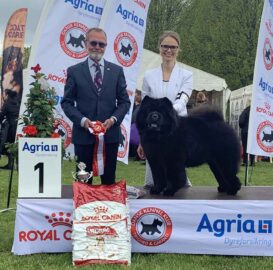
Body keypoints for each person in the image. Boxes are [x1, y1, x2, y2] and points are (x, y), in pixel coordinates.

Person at [61, 27, 130, 185]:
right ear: (86, 44)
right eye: (94, 43)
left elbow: (125, 102)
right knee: (83, 185)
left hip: (110, 138)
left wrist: (113, 119)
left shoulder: (117, 71)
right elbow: (67, 102)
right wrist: (83, 120)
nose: (97, 47)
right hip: (83, 138)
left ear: (106, 46)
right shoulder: (74, 71)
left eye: (102, 44)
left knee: (109, 185)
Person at [137, 30, 193, 188]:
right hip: (153, 134)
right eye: (165, 46)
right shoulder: (148, 76)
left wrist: (166, 114)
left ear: (179, 49)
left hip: (177, 130)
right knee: (155, 178)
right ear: (159, 48)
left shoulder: (187, 75)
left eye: (173, 47)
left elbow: (182, 100)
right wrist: (142, 140)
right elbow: (144, 110)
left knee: (176, 173)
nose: (169, 50)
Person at [0, 89, 20, 169]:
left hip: (10, 127)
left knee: (8, 145)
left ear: (8, 95)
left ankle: (10, 164)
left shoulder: (7, 103)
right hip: (18, 127)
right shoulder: (18, 102)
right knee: (15, 145)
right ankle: (14, 165)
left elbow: (2, 115)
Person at [239, 102, 255, 166]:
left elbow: (241, 121)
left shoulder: (245, 111)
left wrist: (242, 127)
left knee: (245, 146)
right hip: (253, 131)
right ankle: (252, 162)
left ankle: (245, 162)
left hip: (245, 131)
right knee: (252, 147)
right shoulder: (255, 111)